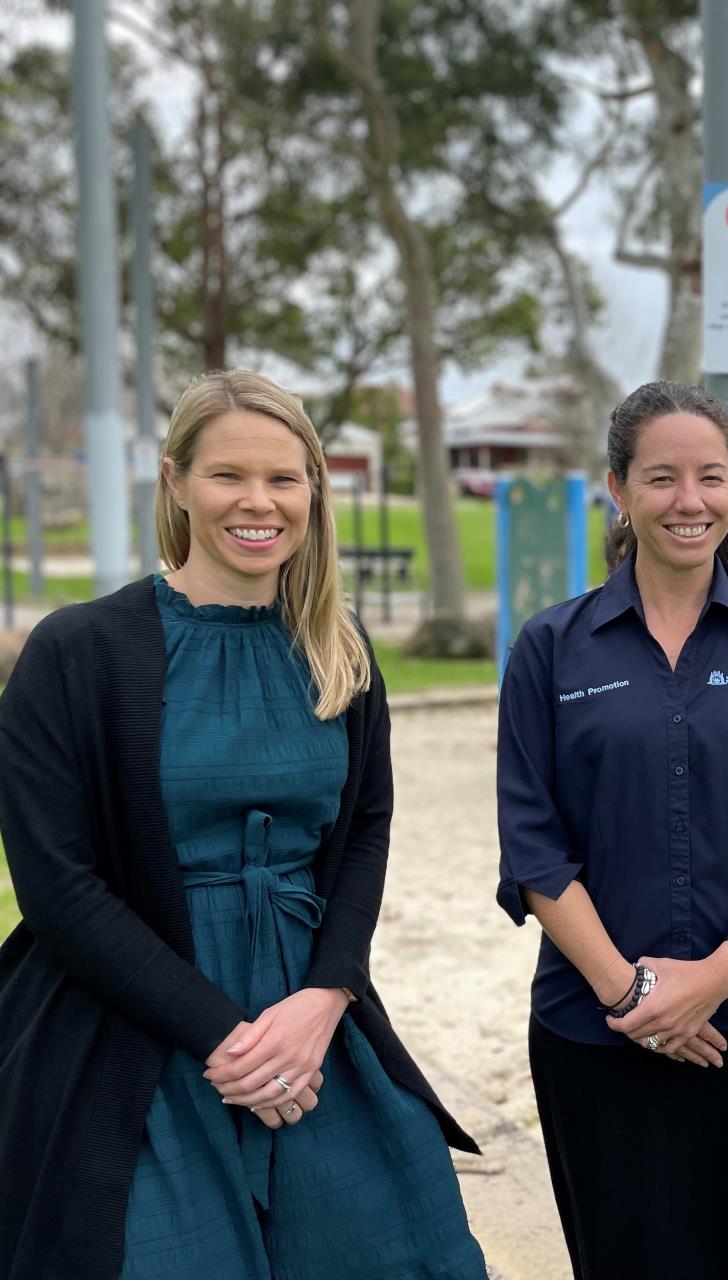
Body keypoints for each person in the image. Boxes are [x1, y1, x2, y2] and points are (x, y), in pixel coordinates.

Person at [0, 370, 486, 1279]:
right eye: (228, 475)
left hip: (309, 1015)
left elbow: (367, 830)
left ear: (313, 491)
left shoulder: (340, 651)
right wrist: (222, 1036)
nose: (258, 503)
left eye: (284, 478)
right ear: (175, 480)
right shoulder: (78, 652)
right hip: (135, 1016)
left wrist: (327, 997)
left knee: (404, 1246)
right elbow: (58, 887)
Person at [496, 380, 728, 1280]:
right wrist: (631, 996)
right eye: (662, 478)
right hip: (591, 1024)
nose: (690, 501)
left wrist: (717, 976)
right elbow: (532, 847)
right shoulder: (550, 648)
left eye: (711, 477)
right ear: (618, 489)